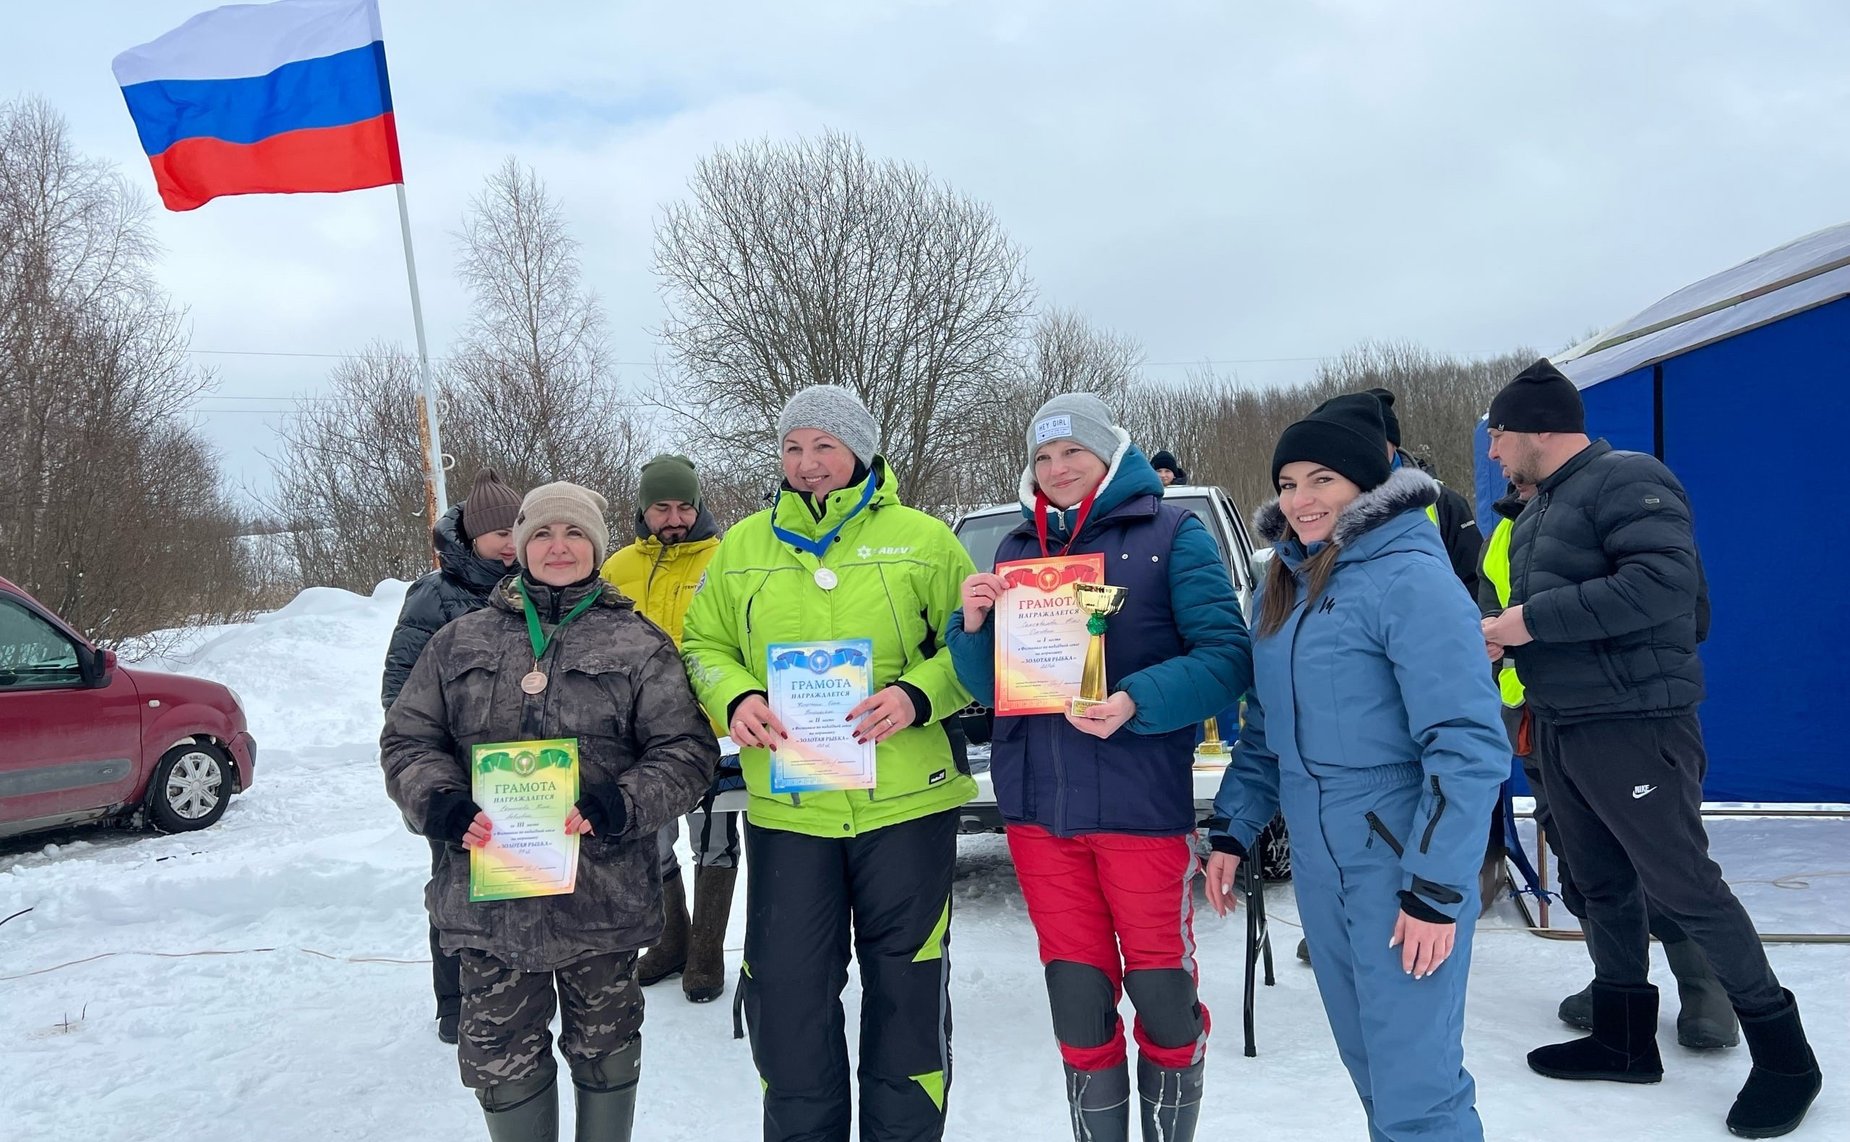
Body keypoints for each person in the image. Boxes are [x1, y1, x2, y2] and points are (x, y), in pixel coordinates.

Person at [1483, 360, 1822, 1138]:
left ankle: (1786, 1059)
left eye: (1498, 434)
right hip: (1561, 720)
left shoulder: (1628, 478)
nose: (1494, 452)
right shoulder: (1539, 510)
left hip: (1636, 724)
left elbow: (1667, 588)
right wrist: (1508, 647)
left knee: (1684, 887)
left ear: (1536, 426)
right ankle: (1624, 1036)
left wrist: (1526, 625)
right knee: (1598, 884)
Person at [946, 394, 1251, 1142]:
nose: (1056, 470)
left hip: (1138, 805)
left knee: (1161, 991)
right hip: (1039, 813)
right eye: (1042, 459)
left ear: (1110, 455)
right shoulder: (1018, 550)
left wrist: (1134, 701)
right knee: (1077, 997)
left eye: (1072, 454)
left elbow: (1227, 659)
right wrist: (972, 628)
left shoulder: (1172, 535)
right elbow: (992, 691)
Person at [1204, 394, 1508, 1141]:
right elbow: (1267, 728)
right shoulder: (1285, 585)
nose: (1300, 501)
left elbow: (1467, 745)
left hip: (1399, 861)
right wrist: (1234, 828)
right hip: (1320, 859)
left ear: (1368, 486)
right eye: (1287, 484)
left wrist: (1434, 889)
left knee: (1419, 1090)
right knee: (1371, 1068)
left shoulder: (1410, 578)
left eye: (1322, 481)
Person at [680, 385, 978, 1142]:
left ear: (861, 451)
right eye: (793, 447)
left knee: (907, 994)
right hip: (791, 810)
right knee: (786, 994)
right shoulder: (742, 548)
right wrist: (736, 697)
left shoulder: (925, 540)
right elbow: (702, 646)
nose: (808, 464)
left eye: (824, 446)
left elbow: (974, 650)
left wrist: (919, 693)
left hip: (907, 805)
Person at [382, 482, 720, 1142]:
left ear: (596, 546)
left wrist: (622, 801)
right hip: (492, 902)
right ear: (520, 546)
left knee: (607, 1049)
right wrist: (439, 801)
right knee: (499, 1059)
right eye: (541, 534)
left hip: (600, 896)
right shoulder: (459, 641)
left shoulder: (637, 644)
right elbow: (408, 738)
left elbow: (686, 749)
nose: (557, 547)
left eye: (572, 534)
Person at [1480, 476, 1737, 1051]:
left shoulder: (1621, 511)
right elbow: (1489, 619)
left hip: (1623, 722)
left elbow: (1687, 613)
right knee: (1582, 865)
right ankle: (1618, 987)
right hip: (1535, 721)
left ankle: (1705, 989)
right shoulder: (1501, 532)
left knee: (1662, 862)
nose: (1503, 459)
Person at [380, 466, 523, 1045]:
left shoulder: (536, 584)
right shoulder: (434, 597)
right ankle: (454, 1003)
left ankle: (518, 983)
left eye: (518, 528)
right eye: (498, 534)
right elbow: (400, 694)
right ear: (470, 536)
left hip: (524, 775)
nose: (511, 543)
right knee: (456, 888)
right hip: (458, 777)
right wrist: (438, 777)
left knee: (521, 880)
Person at [598, 454, 740, 1004]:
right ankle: (670, 938)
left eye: (685, 505)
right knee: (651, 838)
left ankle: (706, 949)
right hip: (642, 734)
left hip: (713, 727)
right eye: (662, 506)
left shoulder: (727, 558)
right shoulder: (616, 568)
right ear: (643, 508)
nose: (674, 517)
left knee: (715, 839)